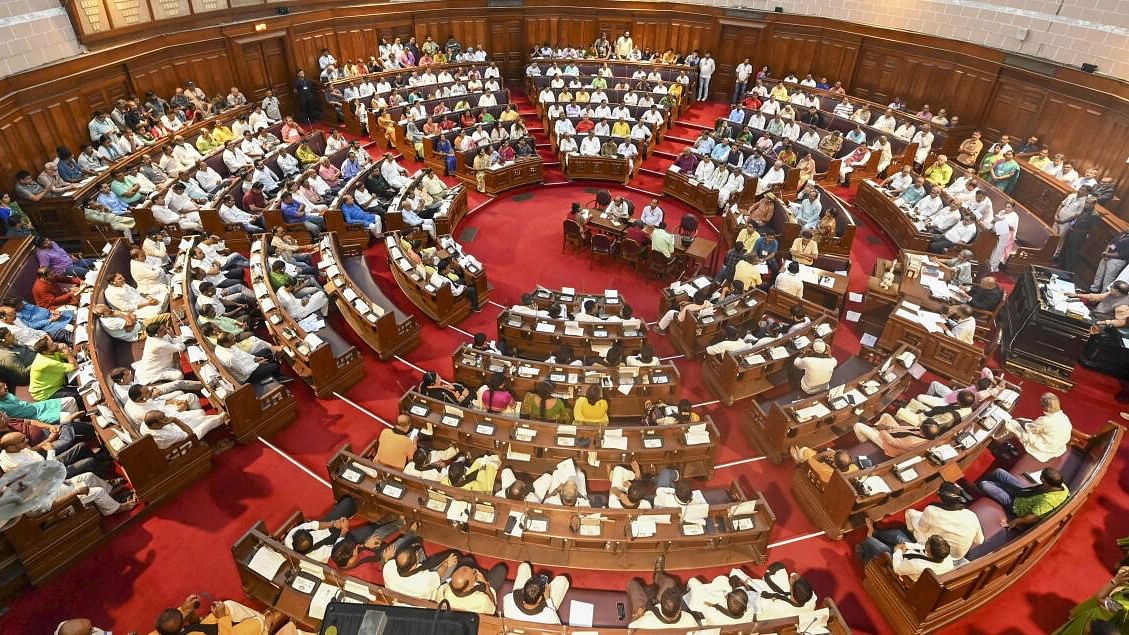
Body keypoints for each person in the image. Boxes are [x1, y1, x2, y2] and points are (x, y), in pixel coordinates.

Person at [977, 466, 1069, 530]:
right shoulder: (1063, 487)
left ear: (1044, 480)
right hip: (1026, 492)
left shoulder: (1047, 501)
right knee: (999, 472)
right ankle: (981, 482)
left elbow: (1033, 517)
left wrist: (1016, 521)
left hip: (1015, 505)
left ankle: (978, 488)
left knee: (984, 485)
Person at [627, 560, 700, 627]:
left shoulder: (646, 620)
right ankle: (657, 575)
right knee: (670, 582)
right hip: (656, 613)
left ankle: (657, 578)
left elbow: (631, 627)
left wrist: (636, 616)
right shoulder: (689, 619)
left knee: (633, 583)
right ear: (679, 609)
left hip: (647, 611)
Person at [857, 532, 954, 581]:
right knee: (898, 535)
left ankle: (866, 559)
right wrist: (906, 546)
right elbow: (921, 547)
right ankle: (875, 532)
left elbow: (897, 568)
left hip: (899, 569)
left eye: (927, 543)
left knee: (870, 541)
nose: (926, 541)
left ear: (930, 553)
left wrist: (898, 550)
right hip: (909, 557)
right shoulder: (946, 556)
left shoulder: (919, 566)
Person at [1003, 393, 1073, 462]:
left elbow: (1028, 428)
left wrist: (1018, 421)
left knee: (1011, 424)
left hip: (1043, 448)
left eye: (1043, 405)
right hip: (1057, 447)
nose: (1042, 407)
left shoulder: (1045, 420)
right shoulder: (1064, 417)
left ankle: (1005, 444)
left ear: (1048, 408)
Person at [502, 561, 570, 624]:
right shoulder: (549, 615)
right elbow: (557, 627)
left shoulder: (509, 599)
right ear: (540, 598)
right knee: (562, 580)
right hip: (545, 611)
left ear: (523, 590)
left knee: (524, 566)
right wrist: (548, 599)